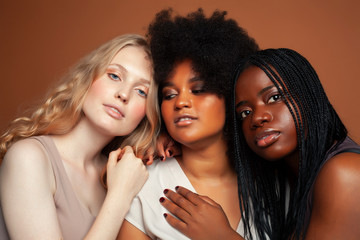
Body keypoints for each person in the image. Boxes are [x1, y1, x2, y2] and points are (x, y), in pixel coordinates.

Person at [161, 48, 360, 240]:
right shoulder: (289, 180)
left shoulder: (345, 173)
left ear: (309, 96)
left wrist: (222, 236)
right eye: (245, 112)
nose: (257, 118)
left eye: (274, 97)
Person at [116, 8, 259, 240]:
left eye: (199, 89)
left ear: (230, 93)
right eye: (170, 94)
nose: (181, 102)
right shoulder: (143, 183)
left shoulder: (272, 184)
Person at [0, 34, 159, 240]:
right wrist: (119, 196)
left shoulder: (121, 173)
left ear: (147, 113)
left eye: (141, 91)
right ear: (87, 78)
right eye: (114, 76)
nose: (124, 94)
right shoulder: (29, 158)